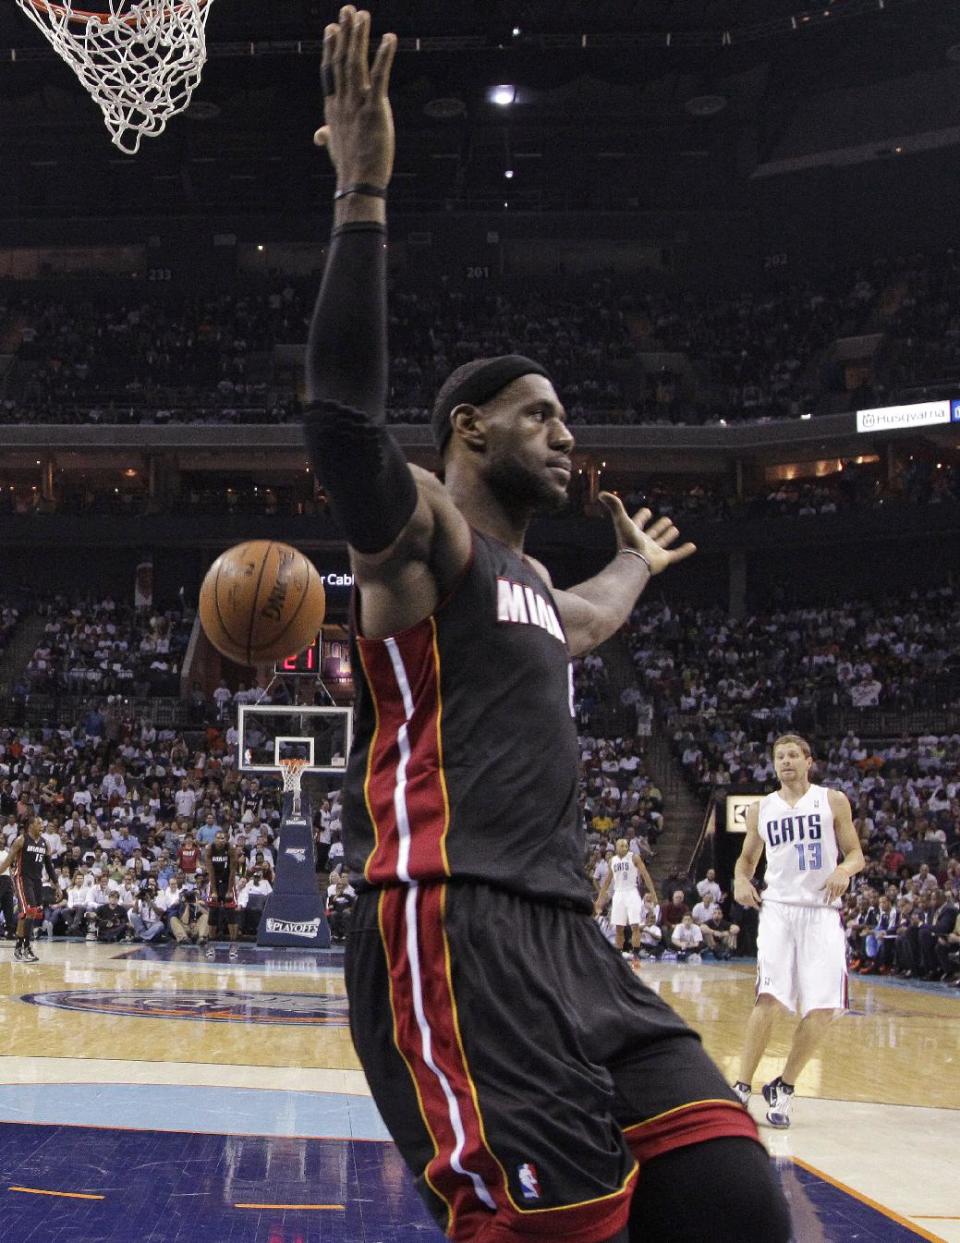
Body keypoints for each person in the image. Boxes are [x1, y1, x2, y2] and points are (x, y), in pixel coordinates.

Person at [302, 11, 791, 1242]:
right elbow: (344, 427)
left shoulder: (525, 585)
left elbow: (577, 622)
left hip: (571, 935)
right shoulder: (426, 540)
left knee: (734, 1195)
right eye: (542, 414)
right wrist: (364, 191)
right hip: (452, 922)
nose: (568, 433)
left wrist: (632, 562)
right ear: (469, 429)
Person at [732, 733, 864, 1128]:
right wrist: (741, 880)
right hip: (779, 910)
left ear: (809, 761)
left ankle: (784, 1087)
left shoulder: (832, 800)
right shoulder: (761, 809)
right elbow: (747, 859)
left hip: (822, 912)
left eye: (793, 755)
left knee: (823, 1007)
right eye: (779, 756)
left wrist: (843, 868)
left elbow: (856, 853)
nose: (786, 761)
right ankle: (741, 1087)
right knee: (769, 996)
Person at [0, 817, 62, 962]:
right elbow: (8, 861)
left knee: (28, 914)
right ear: (30, 826)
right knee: (29, 911)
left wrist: (57, 885)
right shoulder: (21, 840)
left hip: (36, 881)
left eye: (42, 823)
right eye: (39, 823)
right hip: (22, 878)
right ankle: (26, 948)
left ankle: (19, 948)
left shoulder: (45, 843)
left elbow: (49, 866)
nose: (42, 826)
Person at [594, 837, 658, 960]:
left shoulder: (634, 857)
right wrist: (599, 899)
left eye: (625, 845)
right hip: (618, 893)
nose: (624, 847)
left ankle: (636, 953)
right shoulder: (612, 861)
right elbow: (607, 881)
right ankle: (618, 954)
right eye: (621, 845)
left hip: (631, 891)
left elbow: (645, 875)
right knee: (618, 927)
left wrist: (653, 893)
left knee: (635, 925)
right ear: (616, 847)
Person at [205, 829, 240, 955]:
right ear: (215, 839)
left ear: (226, 839)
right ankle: (211, 945)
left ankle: (233, 945)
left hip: (227, 881)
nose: (221, 840)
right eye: (218, 838)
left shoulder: (230, 849)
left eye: (223, 838)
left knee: (230, 911)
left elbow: (232, 871)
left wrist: (230, 890)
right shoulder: (210, 849)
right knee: (213, 912)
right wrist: (214, 891)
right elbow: (210, 872)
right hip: (215, 881)